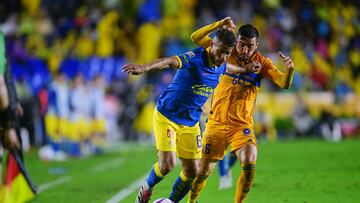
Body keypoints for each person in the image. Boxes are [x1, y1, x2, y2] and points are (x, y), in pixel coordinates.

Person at [123, 25, 237, 203]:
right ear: (211, 44)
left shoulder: (221, 66)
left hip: (190, 123)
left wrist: (251, 70)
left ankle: (170, 201)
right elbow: (169, 61)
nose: (222, 57)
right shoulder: (194, 58)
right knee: (167, 165)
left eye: (227, 53)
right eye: (220, 51)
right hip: (167, 116)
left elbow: (231, 69)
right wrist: (144, 67)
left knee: (193, 171)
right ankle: (147, 187)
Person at [188, 20, 295, 203]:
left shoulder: (263, 63)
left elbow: (284, 83)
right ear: (236, 40)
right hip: (216, 122)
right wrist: (219, 25)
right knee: (203, 172)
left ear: (257, 45)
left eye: (250, 46)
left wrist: (290, 70)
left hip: (241, 125)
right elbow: (195, 37)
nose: (245, 50)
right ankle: (191, 201)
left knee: (249, 159)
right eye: (242, 44)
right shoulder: (225, 51)